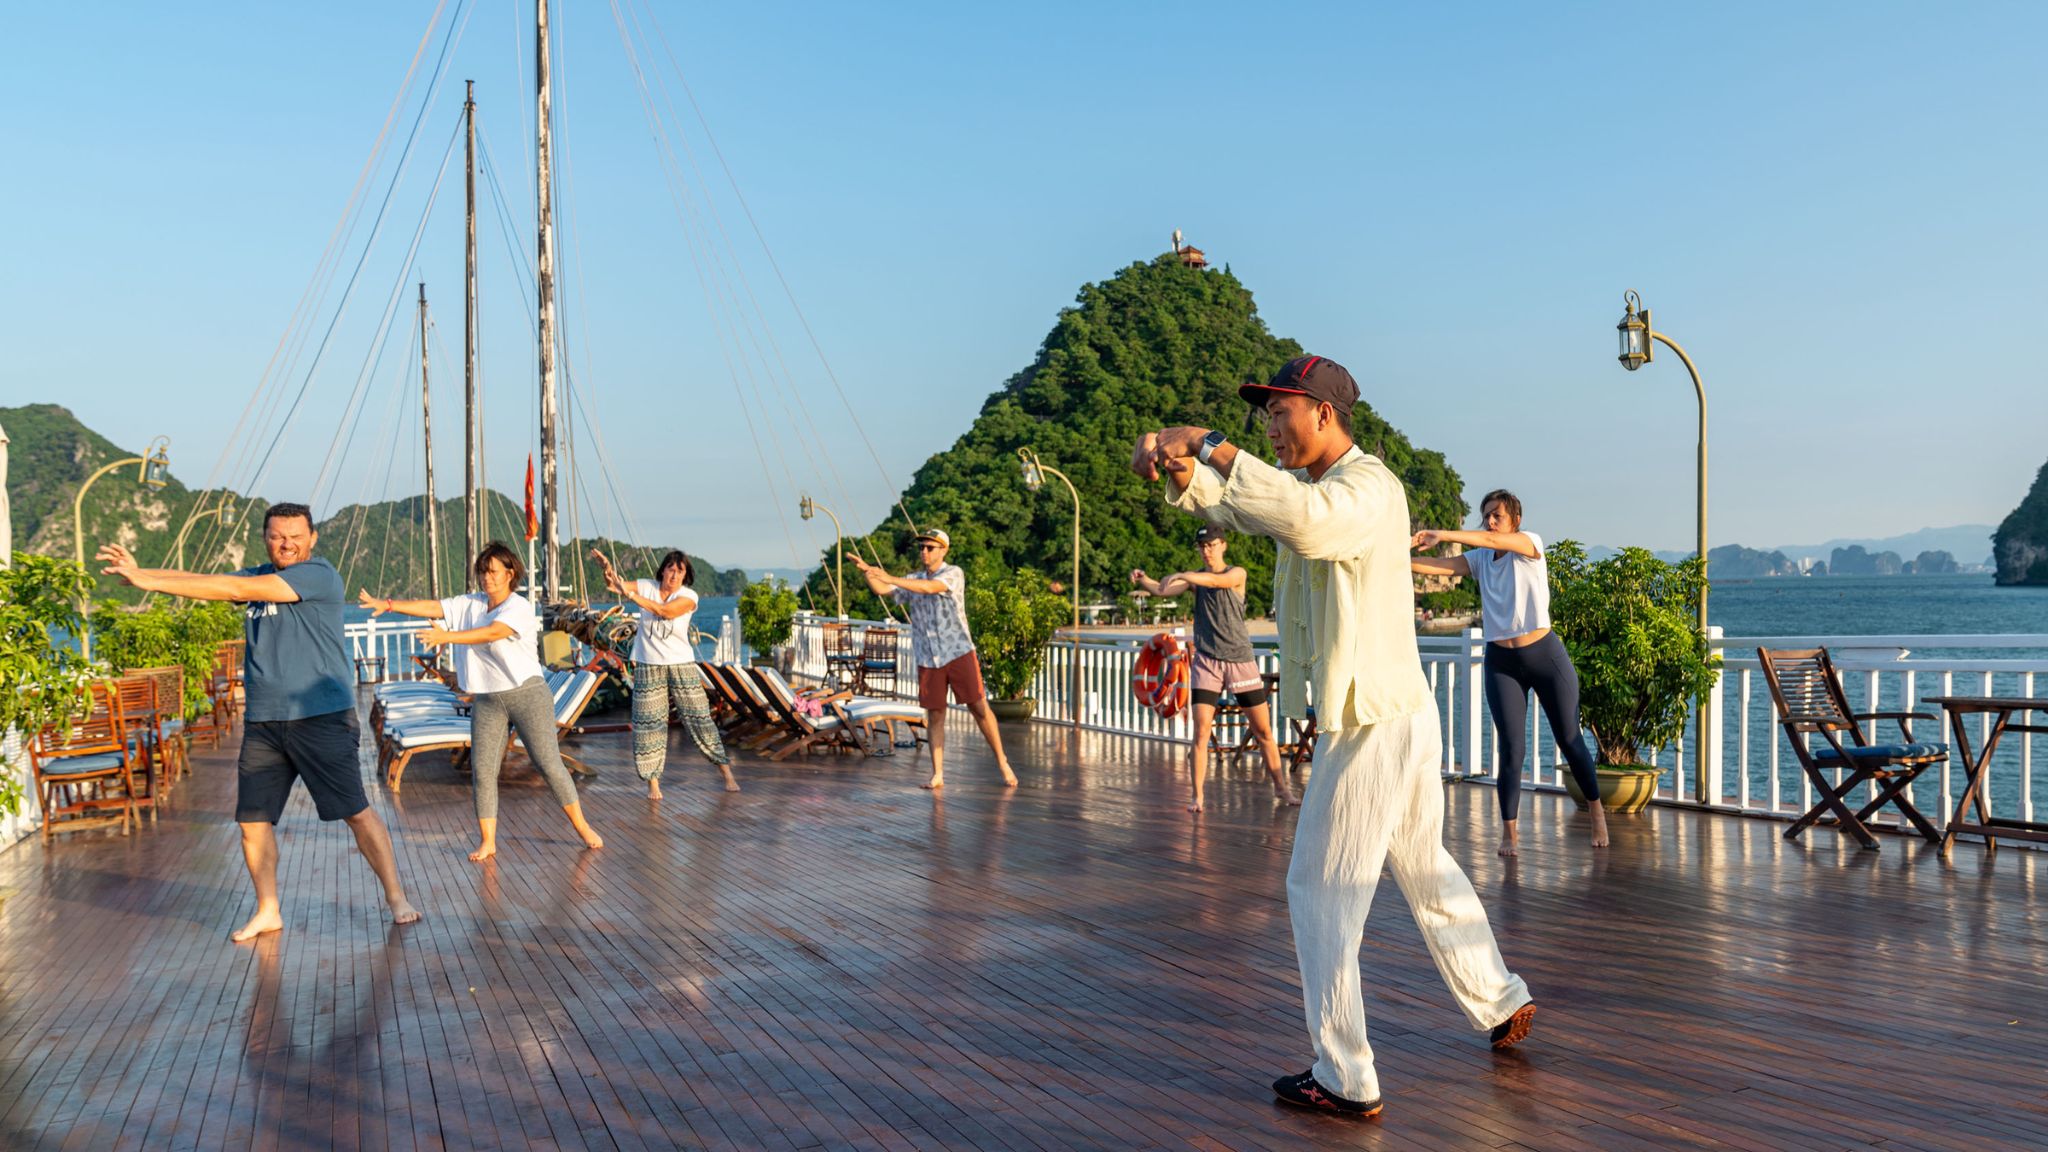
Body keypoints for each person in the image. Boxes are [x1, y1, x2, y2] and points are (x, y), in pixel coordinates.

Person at [1131, 354, 1535, 1119]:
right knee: (1423, 864)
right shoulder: (1316, 487)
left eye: (1281, 412)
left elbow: (1307, 526)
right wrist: (1180, 466)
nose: (1272, 427)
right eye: (1265, 417)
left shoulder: (1369, 488)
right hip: (1398, 711)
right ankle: (1499, 995)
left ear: (1324, 413)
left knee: (1319, 888)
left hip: (1375, 723)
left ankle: (1345, 1074)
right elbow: (1254, 506)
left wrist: (1207, 438)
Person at [96, 503, 421, 942]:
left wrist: (147, 580)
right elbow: (209, 582)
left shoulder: (318, 575)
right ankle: (268, 909)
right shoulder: (258, 575)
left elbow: (230, 588)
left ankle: (397, 897)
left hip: (320, 717)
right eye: (276, 535)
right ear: (265, 537)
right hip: (264, 723)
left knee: (356, 812)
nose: (286, 543)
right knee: (252, 821)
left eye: (295, 535)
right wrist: (143, 572)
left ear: (312, 538)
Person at [360, 542, 604, 861]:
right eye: (482, 572)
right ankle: (488, 841)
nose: (486, 578)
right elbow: (434, 607)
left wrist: (446, 637)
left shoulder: (517, 607)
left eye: (492, 572)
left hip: (526, 694)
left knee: (547, 762)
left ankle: (582, 826)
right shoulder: (471, 604)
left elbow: (492, 633)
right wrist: (388, 604)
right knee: (483, 769)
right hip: (488, 699)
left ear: (510, 573)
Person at [1410, 491, 1610, 856]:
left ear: (1514, 520)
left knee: (1569, 738)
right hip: (1502, 662)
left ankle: (1597, 813)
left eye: (1496, 515)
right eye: (1485, 515)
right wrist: (1394, 558)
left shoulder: (1529, 544)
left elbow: (1489, 540)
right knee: (1511, 748)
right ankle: (1510, 833)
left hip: (1545, 655)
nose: (1489, 521)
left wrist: (1444, 533)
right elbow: (1442, 567)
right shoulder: (1482, 558)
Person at [1130, 525, 1298, 812]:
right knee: (1201, 732)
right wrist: (1144, 579)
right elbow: (1162, 589)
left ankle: (1282, 789)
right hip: (1206, 662)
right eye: (1201, 546)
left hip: (1240, 661)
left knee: (1263, 731)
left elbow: (1215, 582)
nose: (1206, 551)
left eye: (1211, 545)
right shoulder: (1196, 579)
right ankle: (1198, 797)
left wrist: (1184, 575)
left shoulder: (1237, 573)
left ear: (1223, 545)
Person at [845, 529, 1016, 790]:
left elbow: (929, 588)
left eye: (930, 547)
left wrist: (889, 576)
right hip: (928, 656)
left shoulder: (953, 574)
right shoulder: (912, 579)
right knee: (935, 714)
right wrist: (868, 571)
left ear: (943, 550)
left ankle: (1002, 762)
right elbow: (883, 590)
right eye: (922, 547)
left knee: (979, 708)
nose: (924, 551)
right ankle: (937, 774)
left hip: (958, 652)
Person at [590, 547, 738, 800]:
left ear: (685, 575)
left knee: (699, 717)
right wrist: (607, 569)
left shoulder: (689, 596)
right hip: (648, 663)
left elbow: (665, 612)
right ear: (663, 570)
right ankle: (653, 784)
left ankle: (727, 774)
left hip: (680, 664)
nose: (674, 575)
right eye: (671, 568)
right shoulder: (647, 585)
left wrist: (631, 596)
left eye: (680, 571)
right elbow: (616, 586)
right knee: (648, 724)